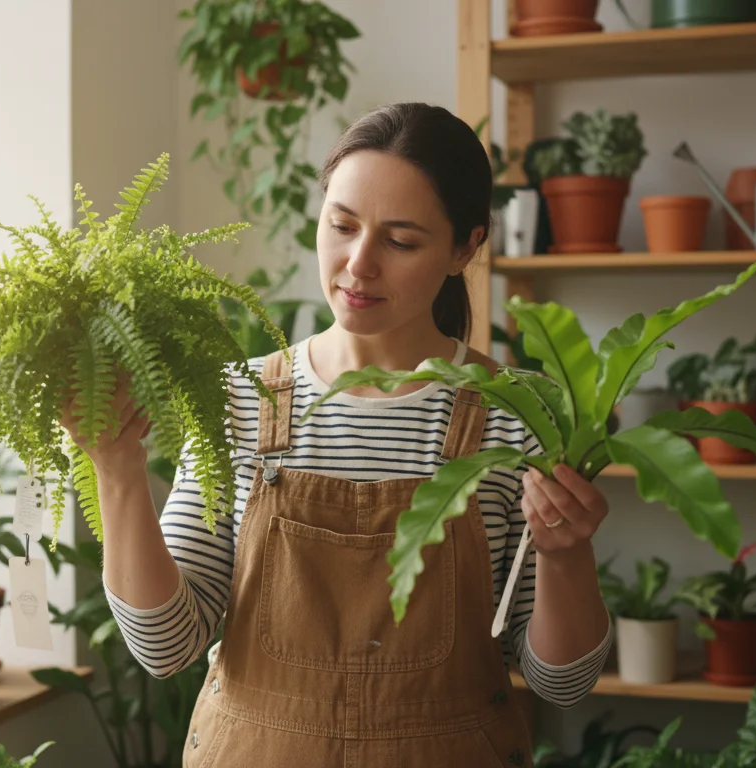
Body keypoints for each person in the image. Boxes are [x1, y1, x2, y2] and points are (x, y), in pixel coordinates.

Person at [69, 102, 612, 767]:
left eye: (401, 240)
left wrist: (566, 557)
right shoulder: (240, 398)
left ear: (464, 248)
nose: (358, 264)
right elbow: (166, 647)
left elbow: (562, 682)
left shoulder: (515, 417)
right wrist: (118, 468)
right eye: (342, 225)